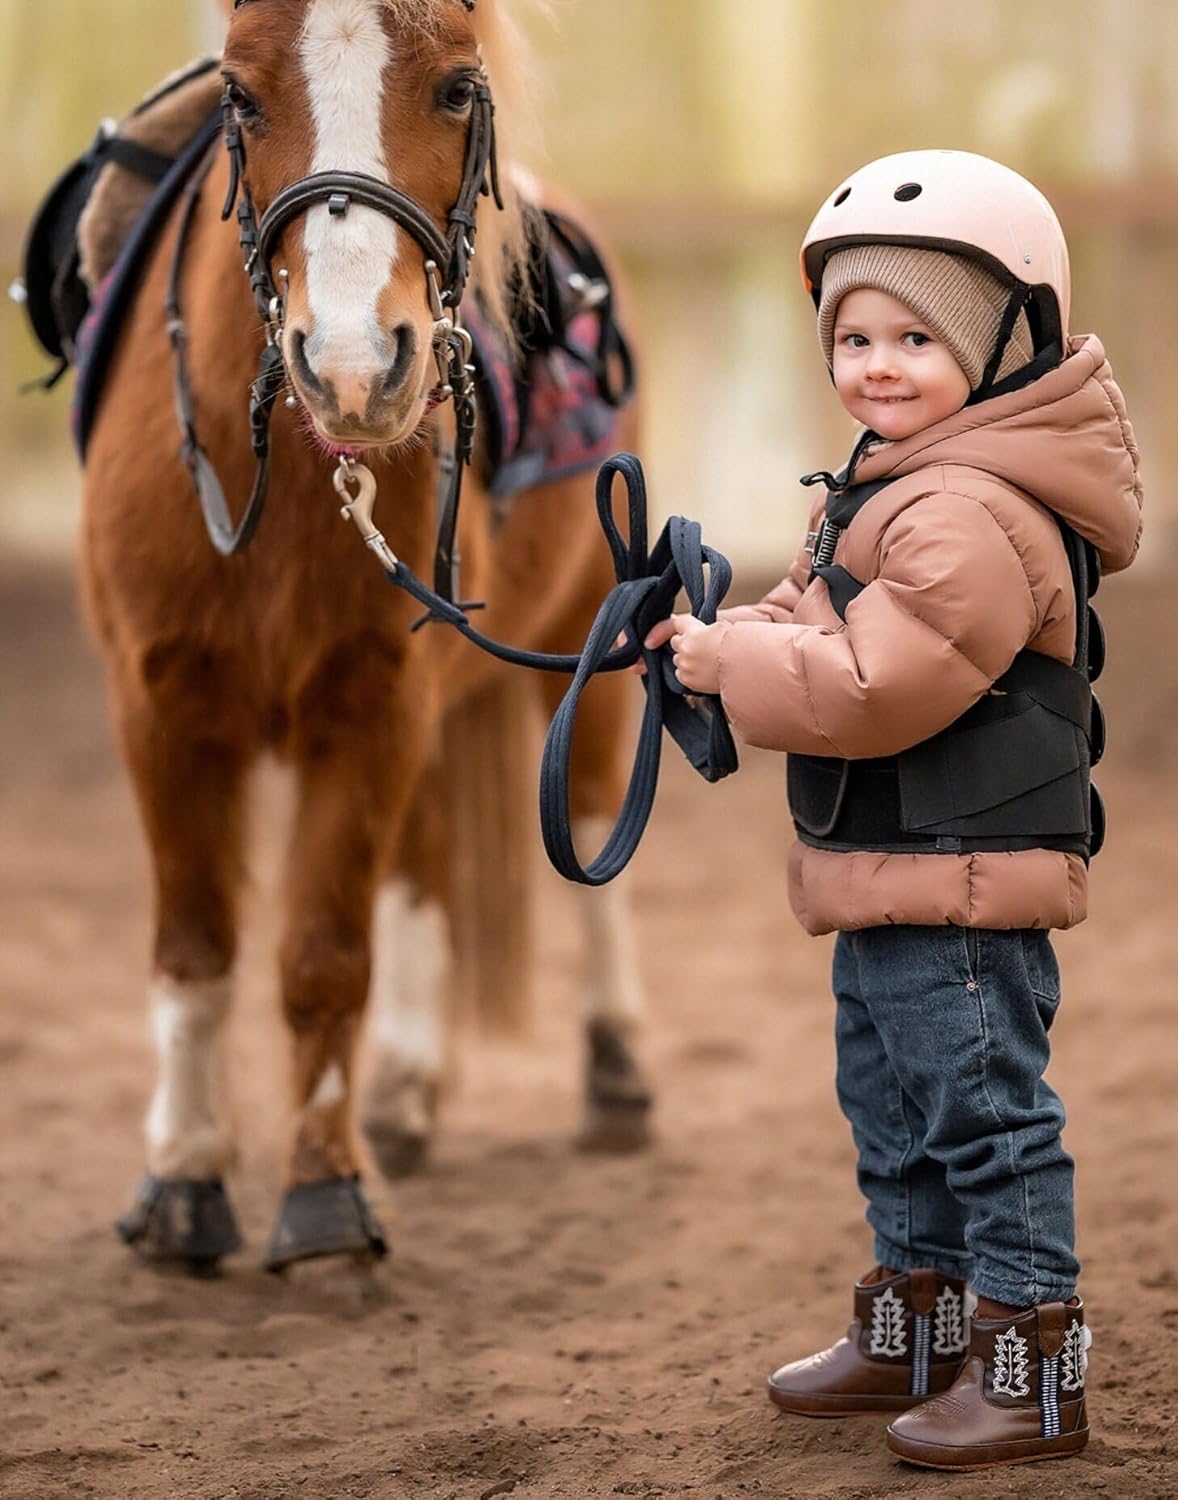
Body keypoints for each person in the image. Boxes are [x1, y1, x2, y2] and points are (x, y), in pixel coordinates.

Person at [646, 150, 1143, 1469]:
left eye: (914, 336)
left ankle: (1031, 1362)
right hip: (893, 869)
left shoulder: (968, 509)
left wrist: (726, 668)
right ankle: (914, 1324)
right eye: (853, 335)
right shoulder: (892, 484)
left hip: (961, 878)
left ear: (997, 346)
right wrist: (718, 633)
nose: (874, 362)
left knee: (981, 1119)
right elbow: (818, 622)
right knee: (895, 1111)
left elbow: (879, 683)